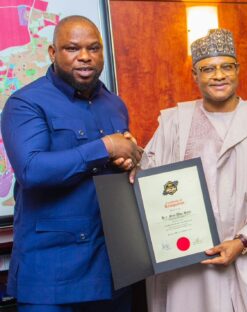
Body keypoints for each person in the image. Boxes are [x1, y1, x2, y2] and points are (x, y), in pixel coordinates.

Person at [141, 29, 247, 312]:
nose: (218, 75)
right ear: (195, 74)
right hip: (189, 261)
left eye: (226, 66)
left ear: (237, 70)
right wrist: (130, 159)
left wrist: (242, 240)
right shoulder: (174, 124)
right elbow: (150, 180)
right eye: (208, 69)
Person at [1, 15, 142, 311]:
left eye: (93, 48)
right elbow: (31, 170)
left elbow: (113, 168)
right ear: (53, 53)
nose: (85, 57)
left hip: (113, 269)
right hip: (52, 276)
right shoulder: (25, 103)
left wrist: (128, 159)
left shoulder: (114, 104)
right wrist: (104, 146)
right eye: (72, 48)